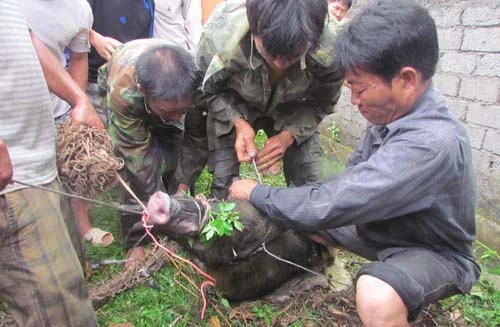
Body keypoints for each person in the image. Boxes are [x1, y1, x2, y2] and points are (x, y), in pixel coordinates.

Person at [229, 0, 480, 325]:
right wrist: (298, 207)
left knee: (376, 294)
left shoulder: (429, 143)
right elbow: (345, 185)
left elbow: (331, 204)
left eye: (360, 89)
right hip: (382, 228)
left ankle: (391, 288)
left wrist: (256, 192)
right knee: (300, 216)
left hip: (430, 251)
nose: (354, 100)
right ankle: (319, 269)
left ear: (406, 79)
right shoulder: (392, 114)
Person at [176, 0, 344, 199]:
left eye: (292, 56)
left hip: (295, 110)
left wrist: (289, 135)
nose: (280, 64)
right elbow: (206, 91)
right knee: (225, 187)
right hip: (236, 103)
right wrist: (237, 122)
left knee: (312, 186)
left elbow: (323, 102)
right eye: (270, 53)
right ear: (253, 29)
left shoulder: (332, 48)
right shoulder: (220, 35)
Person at [0, 0, 99, 325]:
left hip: (39, 161)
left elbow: (24, 39)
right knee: (62, 314)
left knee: (70, 290)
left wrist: (78, 97)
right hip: (13, 182)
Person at [21, 0, 113, 247]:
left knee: (73, 167)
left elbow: (79, 58)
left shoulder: (80, 9)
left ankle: (82, 227)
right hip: (16, 103)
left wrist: (79, 104)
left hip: (58, 101)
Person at [98, 39, 197, 264]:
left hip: (165, 91)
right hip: (123, 91)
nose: (176, 117)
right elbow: (136, 157)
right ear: (143, 91)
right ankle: (137, 238)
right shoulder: (124, 94)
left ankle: (175, 218)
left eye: (182, 109)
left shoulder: (192, 78)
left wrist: (182, 185)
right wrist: (155, 197)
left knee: (175, 151)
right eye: (169, 110)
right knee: (132, 170)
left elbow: (195, 140)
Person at [87, 0, 155, 127]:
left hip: (132, 86)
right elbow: (67, 23)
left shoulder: (147, 3)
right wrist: (93, 37)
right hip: (94, 83)